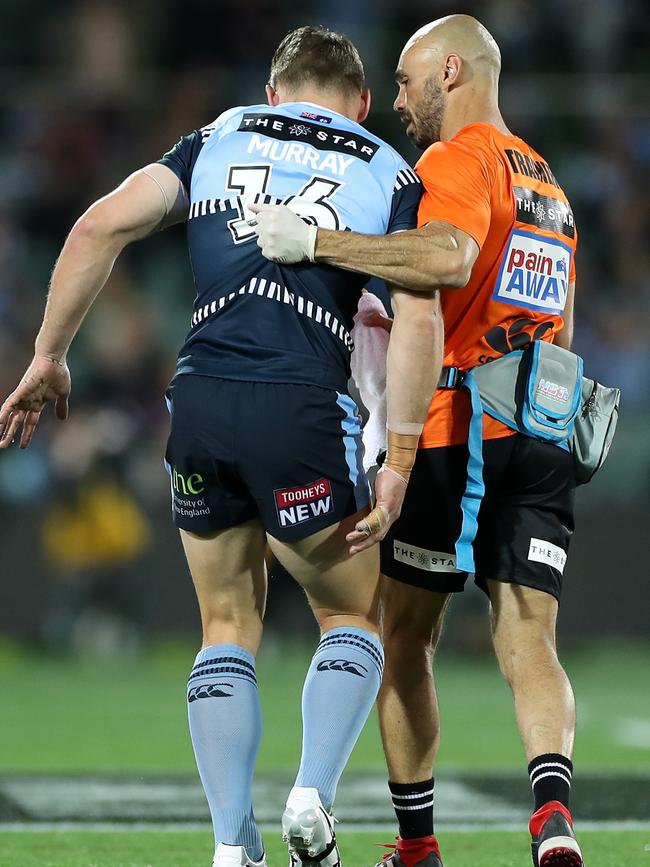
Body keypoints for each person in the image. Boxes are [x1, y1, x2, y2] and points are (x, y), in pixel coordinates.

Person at [0, 26, 443, 867]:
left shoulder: (220, 134)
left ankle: (231, 842)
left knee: (225, 622)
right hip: (303, 401)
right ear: (359, 101)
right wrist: (399, 458)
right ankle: (311, 790)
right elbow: (417, 312)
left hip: (198, 396)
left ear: (275, 93)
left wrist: (49, 355)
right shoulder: (390, 169)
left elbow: (98, 226)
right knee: (350, 613)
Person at [252, 14, 584, 867]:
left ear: (448, 72)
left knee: (405, 636)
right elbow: (568, 331)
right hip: (543, 422)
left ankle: (418, 845)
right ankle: (552, 815)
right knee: (529, 636)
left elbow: (442, 260)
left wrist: (317, 242)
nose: (394, 103)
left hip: (458, 425)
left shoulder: (457, 159)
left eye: (402, 82)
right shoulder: (549, 184)